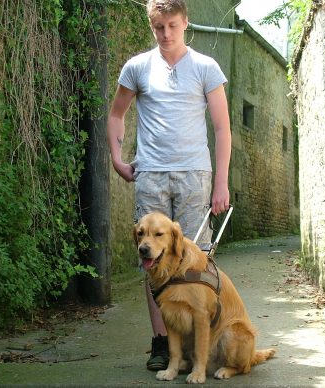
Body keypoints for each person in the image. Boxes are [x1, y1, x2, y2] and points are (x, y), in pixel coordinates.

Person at [106, 0, 231, 371]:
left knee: (196, 260)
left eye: (173, 26)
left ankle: (199, 343)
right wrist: (117, 159)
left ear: (185, 23)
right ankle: (161, 343)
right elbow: (116, 115)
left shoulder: (205, 68)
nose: (166, 34)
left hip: (195, 175)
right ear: (152, 26)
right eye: (159, 27)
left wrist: (220, 182)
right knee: (153, 260)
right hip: (152, 176)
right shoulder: (137, 68)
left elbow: (223, 127)